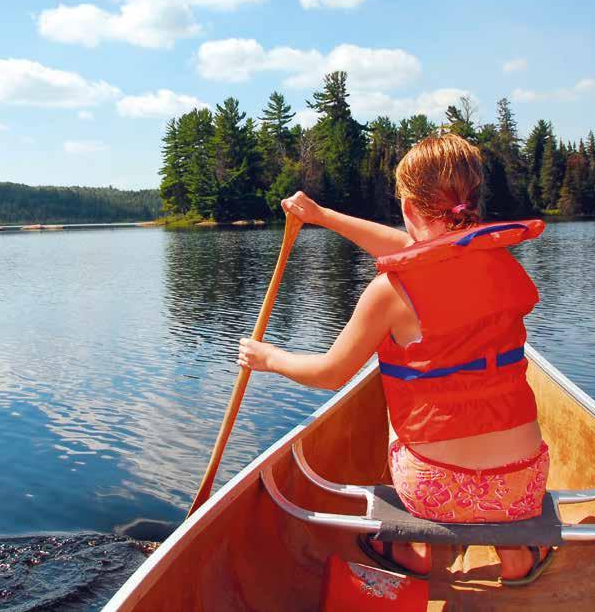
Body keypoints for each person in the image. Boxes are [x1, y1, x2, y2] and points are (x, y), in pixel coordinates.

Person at [237, 133, 554, 585]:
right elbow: (421, 249)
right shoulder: (502, 261)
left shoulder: (390, 293)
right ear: (472, 201)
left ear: (408, 209)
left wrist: (269, 357)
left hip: (434, 493)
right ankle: (517, 554)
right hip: (521, 488)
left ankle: (409, 547)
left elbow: (331, 374)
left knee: (390, 384)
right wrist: (322, 216)